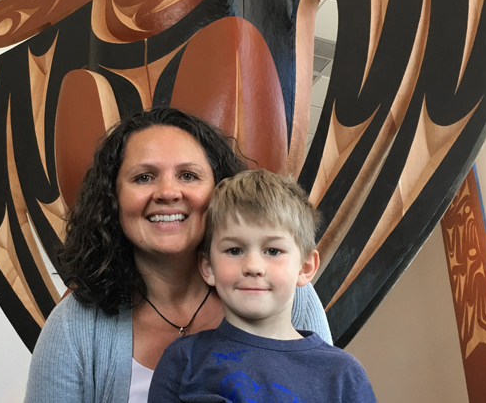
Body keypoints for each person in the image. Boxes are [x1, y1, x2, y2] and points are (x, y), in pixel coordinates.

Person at [24, 108, 332, 403]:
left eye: (188, 175)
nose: (168, 192)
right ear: (113, 199)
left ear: (219, 190)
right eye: (144, 177)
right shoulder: (75, 324)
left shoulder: (290, 295)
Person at [147, 169, 375, 402]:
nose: (253, 266)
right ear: (208, 267)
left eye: (273, 251)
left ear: (305, 267)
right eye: (234, 250)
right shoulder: (184, 360)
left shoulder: (342, 374)